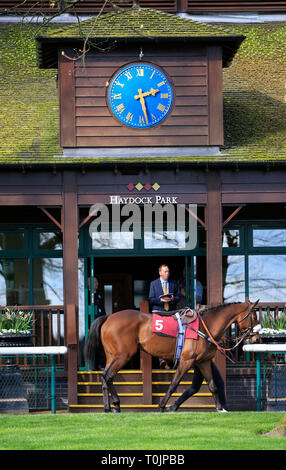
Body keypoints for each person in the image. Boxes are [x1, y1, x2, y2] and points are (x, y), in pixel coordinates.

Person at [149, 264, 181, 369]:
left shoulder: (173, 283)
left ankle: (172, 359)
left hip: (170, 312)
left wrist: (172, 299)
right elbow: (151, 299)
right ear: (160, 273)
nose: (167, 273)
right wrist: (161, 300)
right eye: (165, 271)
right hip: (159, 312)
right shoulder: (154, 284)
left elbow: (178, 297)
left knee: (172, 335)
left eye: (168, 271)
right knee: (158, 335)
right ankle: (161, 360)